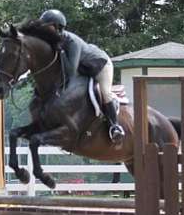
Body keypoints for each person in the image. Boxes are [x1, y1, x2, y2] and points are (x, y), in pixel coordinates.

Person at [39, 9, 125, 141]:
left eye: (46, 26)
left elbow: (70, 71)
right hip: (84, 69)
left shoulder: (72, 42)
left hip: (100, 66)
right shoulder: (54, 41)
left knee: (105, 93)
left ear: (57, 27)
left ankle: (115, 127)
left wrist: (60, 52)